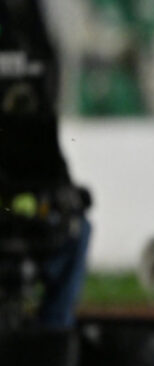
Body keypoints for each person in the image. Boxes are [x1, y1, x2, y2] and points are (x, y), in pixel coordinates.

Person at [0, 0, 91, 330]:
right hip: (23, 198)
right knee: (76, 231)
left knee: (76, 230)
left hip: (26, 200)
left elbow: (44, 144)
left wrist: (63, 191)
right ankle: (53, 335)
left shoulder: (28, 26)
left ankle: (52, 337)